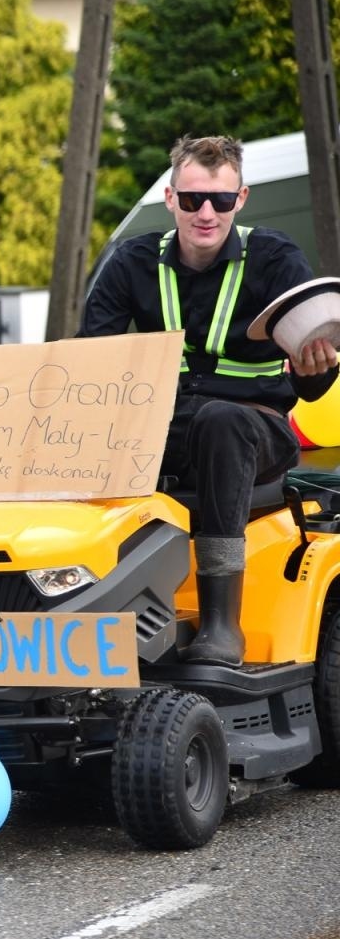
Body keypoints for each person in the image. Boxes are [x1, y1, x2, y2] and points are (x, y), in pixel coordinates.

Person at [82, 134, 338, 665]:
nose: (206, 212)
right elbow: (92, 367)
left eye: (220, 200)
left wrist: (318, 368)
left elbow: (309, 377)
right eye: (193, 198)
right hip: (160, 434)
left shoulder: (274, 258)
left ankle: (222, 625)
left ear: (240, 199)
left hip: (254, 432)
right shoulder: (131, 263)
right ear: (171, 199)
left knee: (221, 420)